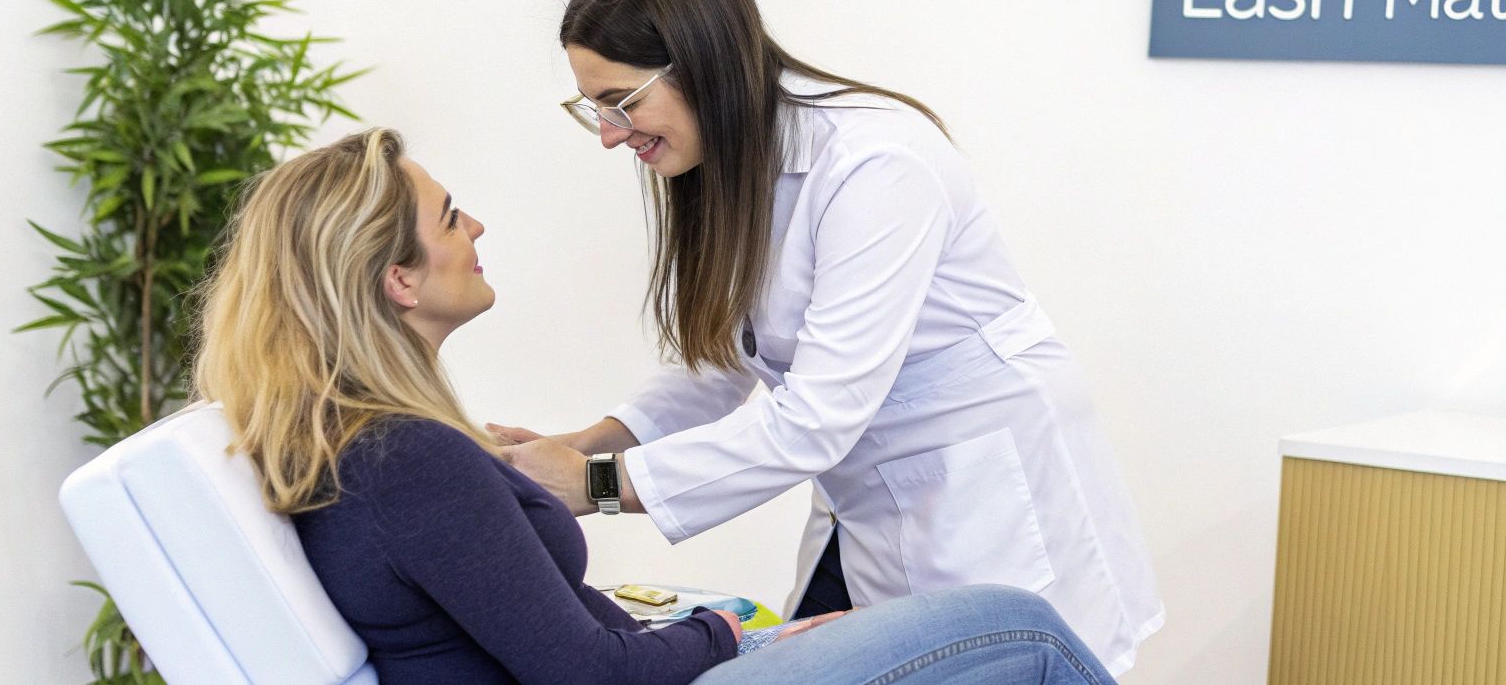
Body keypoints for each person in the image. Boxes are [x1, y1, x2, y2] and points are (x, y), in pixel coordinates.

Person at [190, 128, 1118, 685]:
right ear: (398, 279)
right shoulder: (405, 460)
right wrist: (735, 627)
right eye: (450, 218)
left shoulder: (375, 445)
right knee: (1021, 629)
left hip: (662, 660)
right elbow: (589, 677)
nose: (476, 228)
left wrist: (596, 474)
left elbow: (727, 369)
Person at [495, 0, 1163, 675]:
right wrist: (585, 446)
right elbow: (725, 360)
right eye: (593, 109)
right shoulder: (725, 164)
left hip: (981, 509)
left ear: (704, 63)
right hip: (869, 507)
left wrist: (593, 489)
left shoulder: (876, 165)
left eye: (621, 103)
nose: (612, 137)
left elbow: (816, 420)